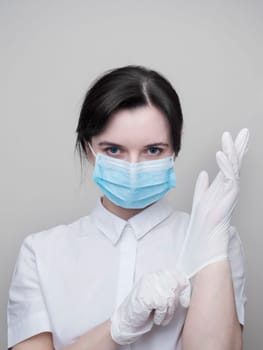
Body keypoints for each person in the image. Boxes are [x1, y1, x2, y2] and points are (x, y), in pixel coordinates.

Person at [7, 65, 249, 350]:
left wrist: (212, 255)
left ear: (175, 147)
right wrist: (118, 327)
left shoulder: (217, 241)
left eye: (153, 150)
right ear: (89, 148)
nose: (133, 167)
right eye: (113, 150)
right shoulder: (41, 254)